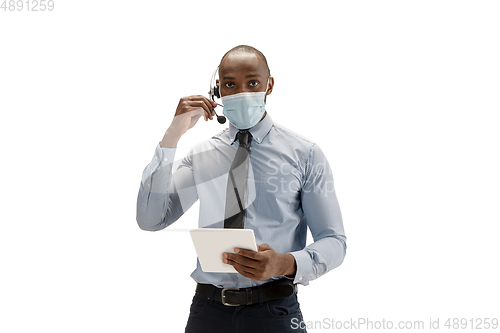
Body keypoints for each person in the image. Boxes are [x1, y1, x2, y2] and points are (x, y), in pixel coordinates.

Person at [136, 45, 346, 333]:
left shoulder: (305, 154)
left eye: (253, 82)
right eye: (230, 84)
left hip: (275, 312)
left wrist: (284, 263)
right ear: (217, 91)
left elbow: (334, 241)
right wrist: (173, 135)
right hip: (207, 312)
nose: (242, 92)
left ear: (269, 85)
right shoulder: (201, 155)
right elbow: (151, 219)